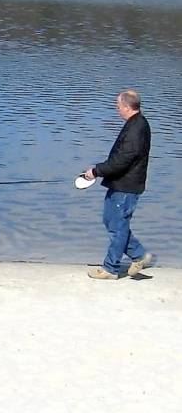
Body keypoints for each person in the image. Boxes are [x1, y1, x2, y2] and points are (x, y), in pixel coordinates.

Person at [83, 90, 154, 280]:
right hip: (123, 183)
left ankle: (111, 268)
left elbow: (123, 160)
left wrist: (96, 171)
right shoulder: (137, 123)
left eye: (118, 106)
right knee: (113, 222)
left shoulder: (136, 128)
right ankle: (140, 255)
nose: (117, 109)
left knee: (116, 226)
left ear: (127, 106)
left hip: (125, 186)